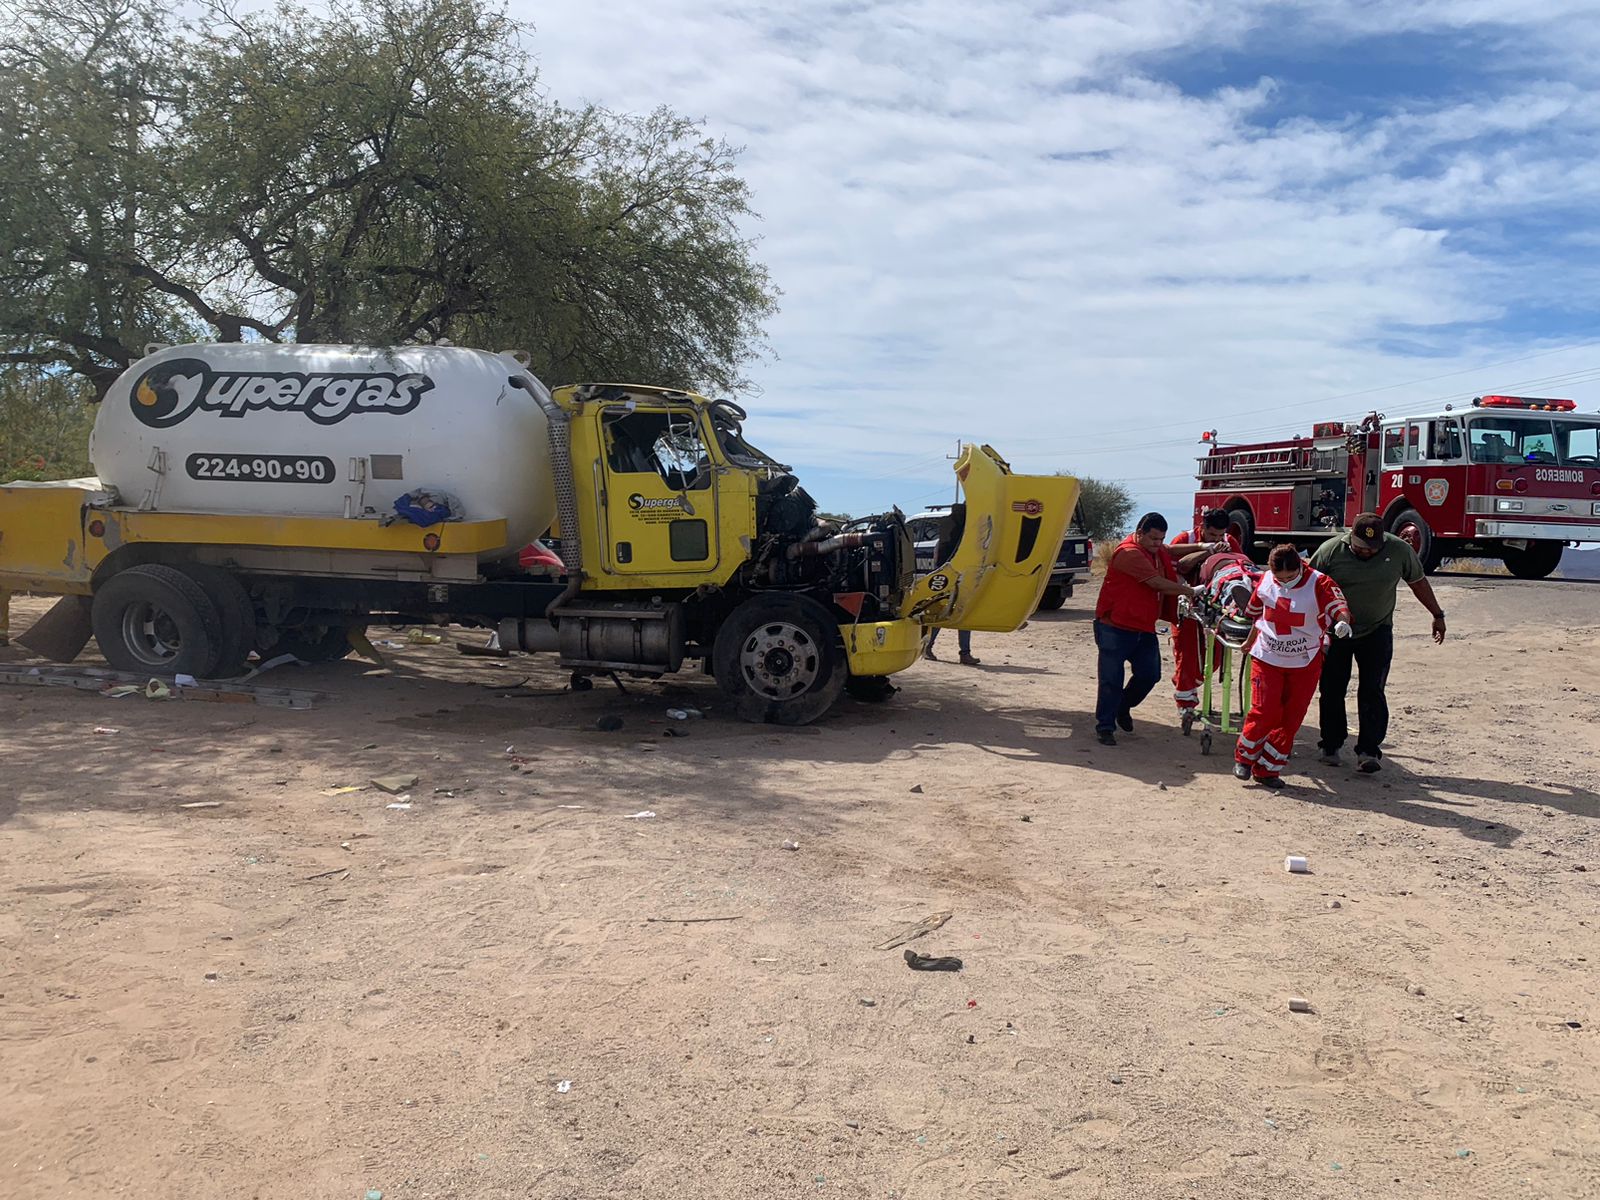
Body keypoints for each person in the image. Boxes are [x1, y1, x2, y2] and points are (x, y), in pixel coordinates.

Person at [1309, 513, 1446, 773]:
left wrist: (1437, 615)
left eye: (1373, 550)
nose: (1367, 554)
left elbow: (1418, 583)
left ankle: (1369, 750)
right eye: (1361, 549)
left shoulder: (1399, 550)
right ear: (1351, 539)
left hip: (1377, 630)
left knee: (1373, 689)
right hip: (1336, 631)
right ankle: (1331, 744)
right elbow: (1308, 586)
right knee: (1332, 688)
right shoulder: (1330, 552)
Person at [1233, 545, 1352, 789]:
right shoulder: (1266, 580)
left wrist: (1342, 622)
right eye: (1280, 578)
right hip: (1267, 656)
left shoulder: (1320, 583)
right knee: (1265, 710)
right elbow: (1257, 613)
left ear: (1300, 567)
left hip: (1305, 661)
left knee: (1291, 717)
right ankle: (1244, 758)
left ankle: (1268, 769)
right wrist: (1249, 640)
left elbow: (1338, 606)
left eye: (1291, 577)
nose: (1285, 582)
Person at [1092, 513, 1196, 745]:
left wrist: (1203, 547)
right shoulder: (1129, 553)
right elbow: (1156, 583)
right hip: (1114, 626)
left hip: (1143, 626)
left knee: (1150, 674)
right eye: (1153, 539)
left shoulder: (1154, 550)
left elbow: (1169, 551)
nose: (1158, 544)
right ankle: (1105, 727)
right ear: (1139, 533)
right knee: (1111, 679)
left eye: (1161, 539)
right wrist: (1191, 591)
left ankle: (1122, 706)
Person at [1169, 509, 1243, 728]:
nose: (1218, 539)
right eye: (1212, 535)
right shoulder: (1185, 540)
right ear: (1202, 528)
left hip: (1215, 607)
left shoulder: (1229, 541)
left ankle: (1195, 683)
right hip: (1187, 604)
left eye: (1221, 536)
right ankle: (1186, 704)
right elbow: (1179, 566)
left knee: (1215, 656)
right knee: (1187, 654)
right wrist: (1206, 551)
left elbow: (1240, 564)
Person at [922, 503, 979, 665]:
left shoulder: (951, 530)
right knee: (951, 613)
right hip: (952, 576)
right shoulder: (958, 532)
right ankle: (961, 652)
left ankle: (960, 652)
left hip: (950, 576)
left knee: (955, 613)